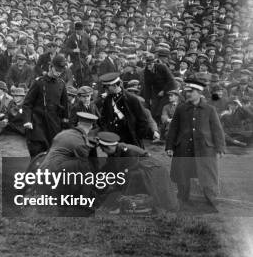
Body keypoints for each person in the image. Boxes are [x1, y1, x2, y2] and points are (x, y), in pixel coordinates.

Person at [165, 77, 225, 209]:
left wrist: (220, 148)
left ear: (199, 92)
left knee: (207, 174)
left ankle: (211, 200)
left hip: (205, 148)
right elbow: (174, 128)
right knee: (183, 173)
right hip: (183, 147)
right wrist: (169, 146)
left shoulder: (209, 109)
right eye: (187, 91)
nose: (188, 94)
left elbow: (217, 130)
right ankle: (182, 199)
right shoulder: (181, 109)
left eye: (191, 91)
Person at [96, 131, 179, 212]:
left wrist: (113, 188)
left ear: (109, 147)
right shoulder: (115, 151)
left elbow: (127, 171)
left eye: (103, 149)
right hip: (140, 168)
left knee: (130, 179)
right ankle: (130, 203)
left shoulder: (127, 151)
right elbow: (109, 167)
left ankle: (127, 204)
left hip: (152, 169)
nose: (103, 151)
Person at [36, 112, 99, 216]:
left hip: (43, 170)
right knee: (85, 167)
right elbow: (83, 161)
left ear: (78, 123)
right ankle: (83, 202)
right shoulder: (80, 141)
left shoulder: (63, 133)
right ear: (91, 126)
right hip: (55, 174)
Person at [22, 54, 70, 157]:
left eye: (61, 71)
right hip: (38, 122)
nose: (58, 73)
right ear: (50, 67)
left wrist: (65, 122)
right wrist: (27, 120)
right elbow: (27, 104)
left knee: (52, 151)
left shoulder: (61, 84)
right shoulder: (39, 82)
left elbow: (65, 105)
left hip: (54, 123)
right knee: (37, 151)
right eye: (56, 70)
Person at [97, 72, 154, 147]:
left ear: (115, 85)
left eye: (107, 87)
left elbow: (143, 120)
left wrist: (137, 136)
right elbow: (104, 118)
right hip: (113, 138)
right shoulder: (108, 99)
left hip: (130, 139)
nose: (105, 90)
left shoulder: (131, 99)